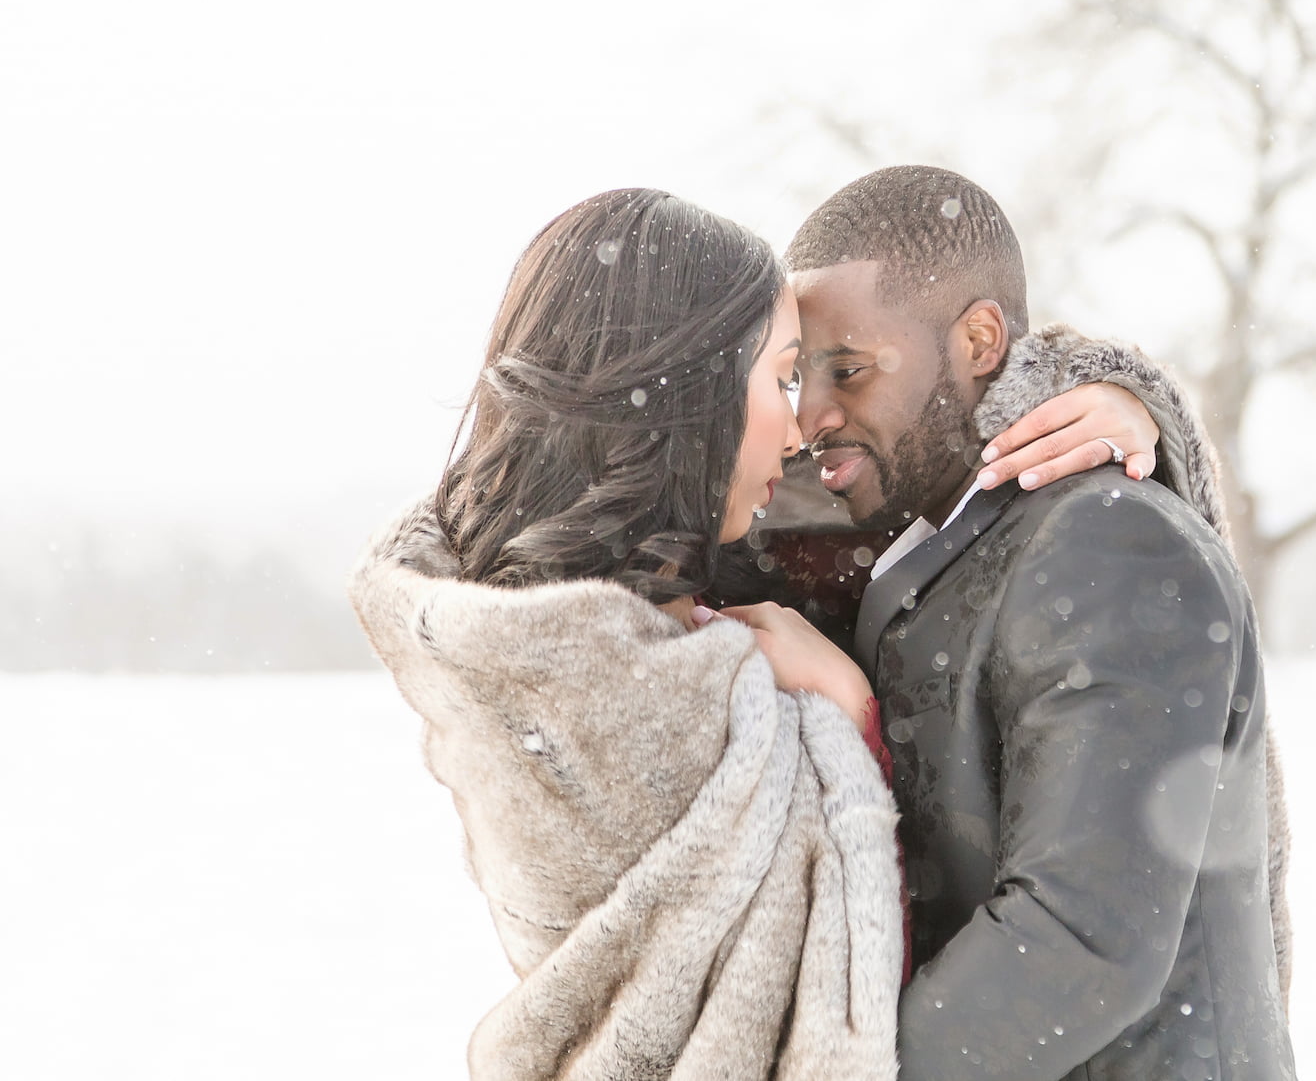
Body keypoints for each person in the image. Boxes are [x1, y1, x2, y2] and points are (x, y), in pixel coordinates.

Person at [348, 187, 1169, 1080]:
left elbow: (919, 456)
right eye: (783, 377)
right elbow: (829, 1017)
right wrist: (852, 717)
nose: (801, 430)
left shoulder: (544, 629)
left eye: (829, 374)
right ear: (690, 402)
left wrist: (1113, 399)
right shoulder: (649, 704)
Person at [784, 165, 1296, 1080]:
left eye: (847, 370)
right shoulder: (912, 521)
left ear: (980, 340)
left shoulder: (1109, 540)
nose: (813, 413)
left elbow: (1080, 939)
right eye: (798, 375)